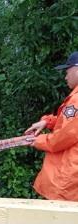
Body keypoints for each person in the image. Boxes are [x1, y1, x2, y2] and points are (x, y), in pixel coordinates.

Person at [25, 51, 78, 201]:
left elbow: (63, 137)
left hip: (67, 181)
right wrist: (47, 122)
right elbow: (70, 124)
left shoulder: (77, 100)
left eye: (68, 71)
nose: (65, 76)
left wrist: (37, 141)